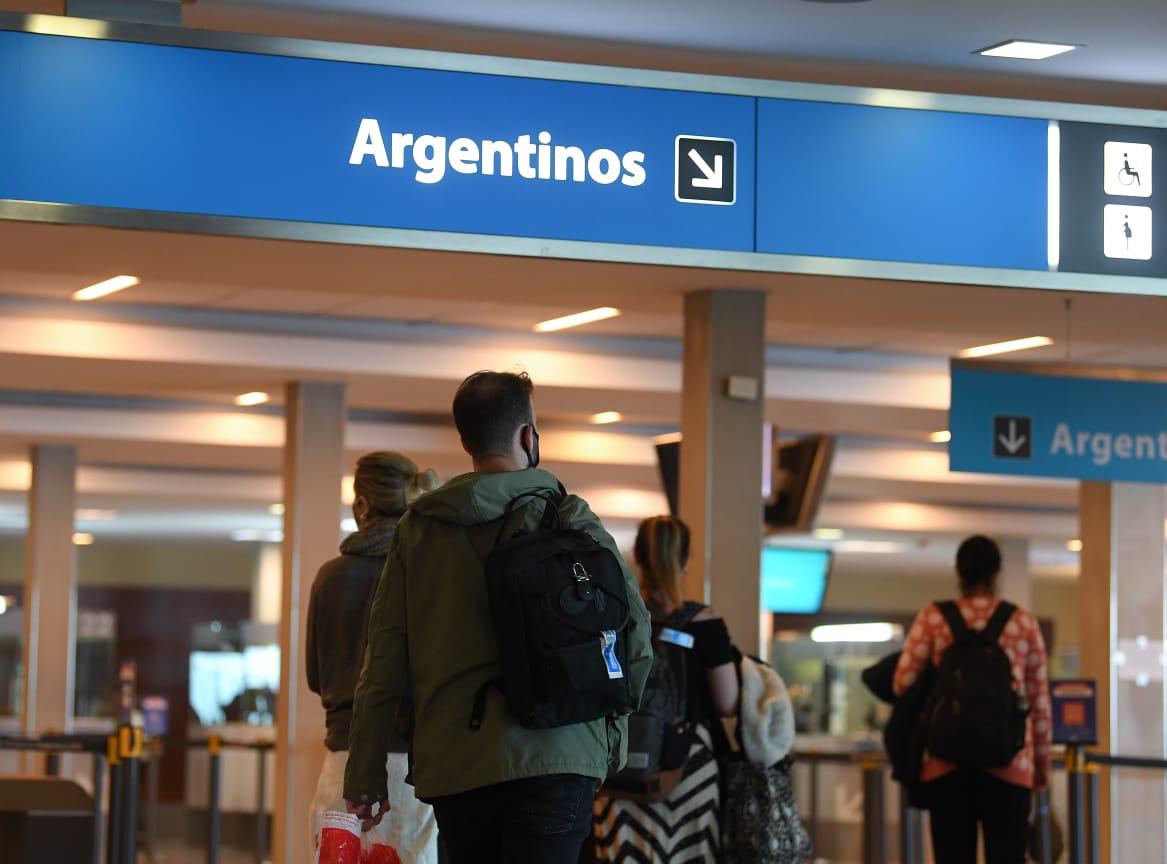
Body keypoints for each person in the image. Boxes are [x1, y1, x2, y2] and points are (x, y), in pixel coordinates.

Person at [344, 370, 654, 864]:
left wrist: (364, 774)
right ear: (529, 436)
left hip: (458, 765)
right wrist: (609, 733)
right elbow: (633, 632)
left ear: (466, 440)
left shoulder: (419, 530)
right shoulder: (568, 516)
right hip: (560, 753)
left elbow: (382, 662)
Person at [306, 451, 440, 861]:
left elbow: (315, 677)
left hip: (344, 760)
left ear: (362, 504)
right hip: (414, 767)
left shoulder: (331, 576)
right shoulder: (429, 573)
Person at [894, 535, 1052, 864]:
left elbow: (902, 683)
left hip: (945, 761)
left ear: (958, 572)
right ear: (998, 573)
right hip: (1010, 763)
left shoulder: (934, 617)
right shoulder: (1022, 622)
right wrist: (1041, 768)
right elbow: (1039, 702)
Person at [594, 515, 739, 863]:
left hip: (619, 766)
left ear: (637, 557)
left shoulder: (613, 615)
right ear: (685, 560)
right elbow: (727, 702)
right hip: (688, 768)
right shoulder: (704, 623)